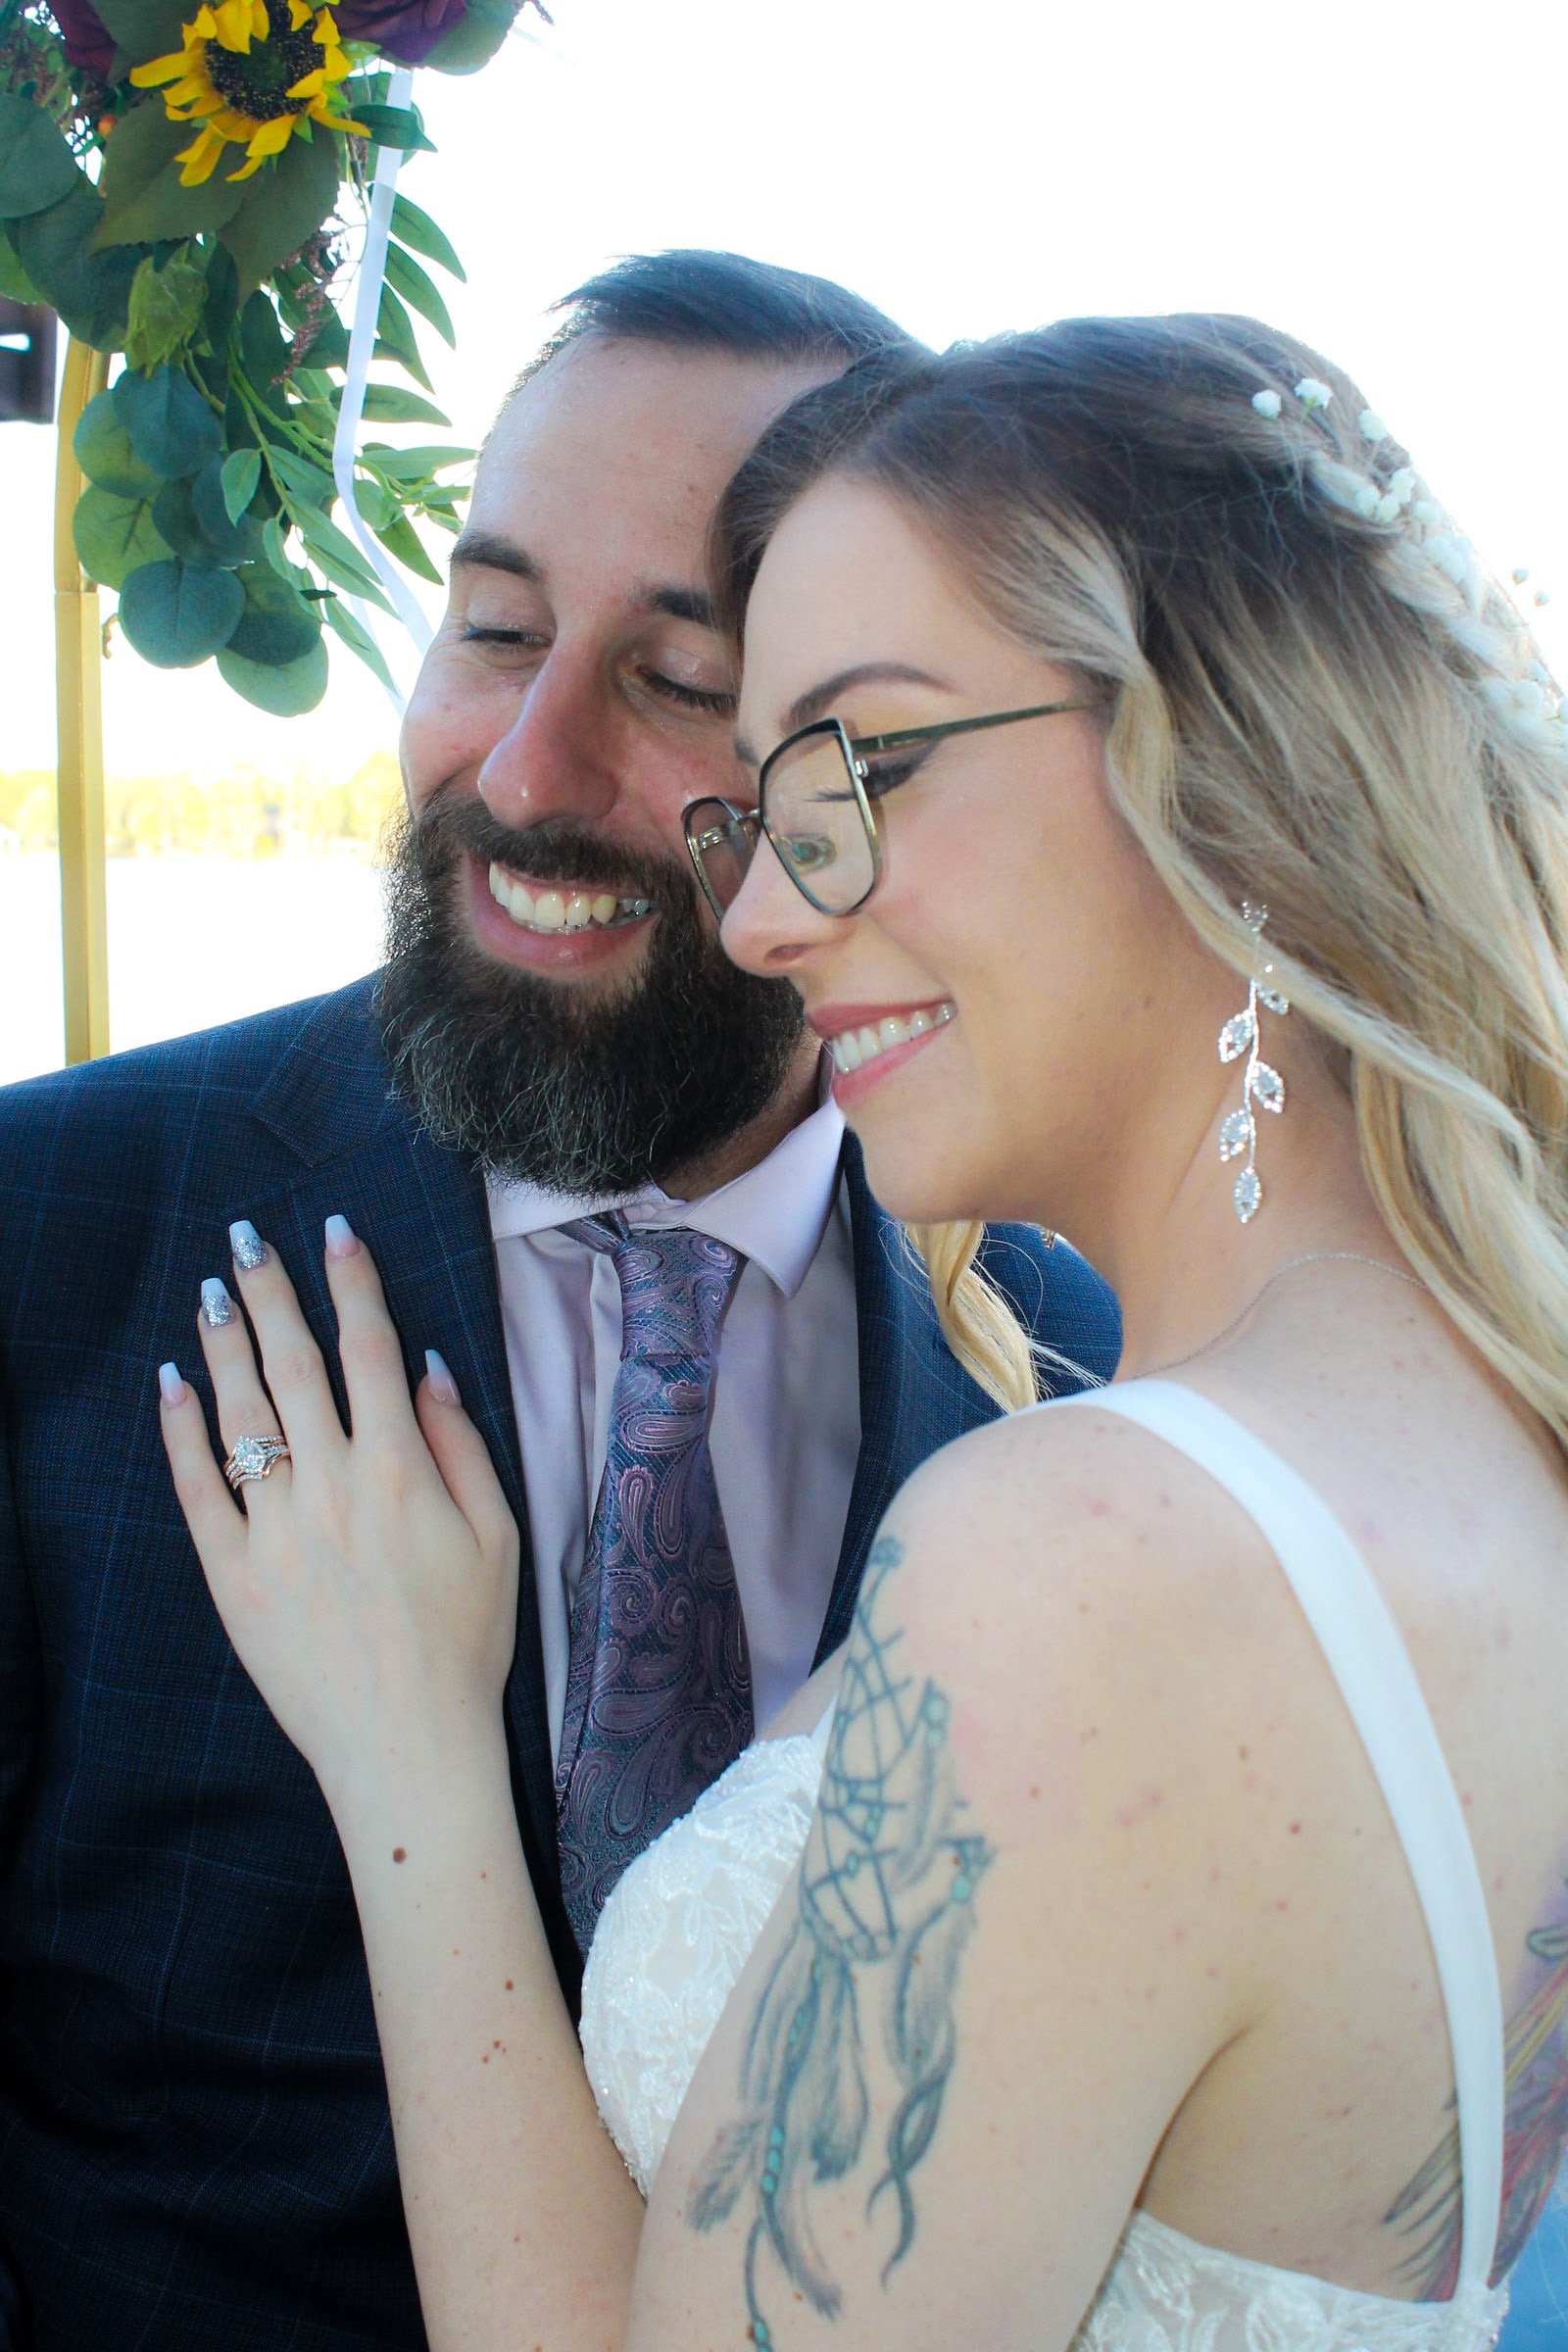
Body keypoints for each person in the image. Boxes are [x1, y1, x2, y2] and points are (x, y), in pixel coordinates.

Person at [156, 309, 1568, 2351]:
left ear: (1220, 759)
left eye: (838, 768)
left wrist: (408, 1756)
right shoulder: (1495, 1437)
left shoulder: (1084, 1556)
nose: (757, 911)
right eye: (763, 799)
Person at [0, 255, 1119, 2350]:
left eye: (679, 676)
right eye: (493, 626)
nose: (522, 762)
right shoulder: (41, 1235)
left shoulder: (1083, 1354)